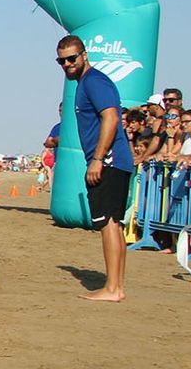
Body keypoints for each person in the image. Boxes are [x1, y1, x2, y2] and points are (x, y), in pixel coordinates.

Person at [57, 34, 134, 302]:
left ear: (84, 55)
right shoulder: (86, 83)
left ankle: (112, 288)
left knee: (108, 224)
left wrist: (98, 158)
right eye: (62, 60)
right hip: (115, 161)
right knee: (113, 223)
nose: (67, 64)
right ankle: (117, 286)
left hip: (110, 161)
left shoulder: (94, 81)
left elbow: (111, 117)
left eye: (71, 58)